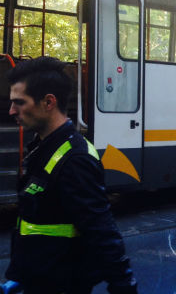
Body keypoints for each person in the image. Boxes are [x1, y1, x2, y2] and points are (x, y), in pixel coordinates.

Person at [5, 57, 137, 294]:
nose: (11, 110)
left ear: (48, 102)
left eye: (19, 102)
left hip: (62, 285)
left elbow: (102, 231)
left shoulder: (76, 160)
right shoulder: (41, 146)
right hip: (38, 280)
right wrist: (20, 275)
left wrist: (124, 287)